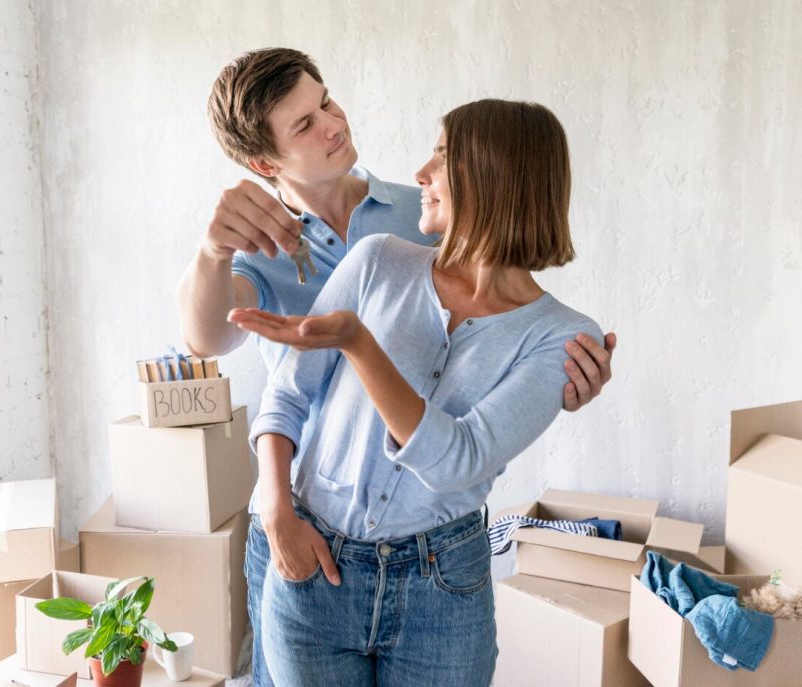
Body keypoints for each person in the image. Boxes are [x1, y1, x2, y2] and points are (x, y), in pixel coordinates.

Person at [176, 48, 616, 686]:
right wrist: (213, 250)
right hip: (303, 530)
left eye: (325, 101)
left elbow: (466, 446)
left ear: (488, 179)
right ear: (264, 162)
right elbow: (214, 340)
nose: (333, 123)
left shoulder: (428, 215)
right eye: (304, 124)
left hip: (440, 568)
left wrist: (556, 383)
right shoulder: (313, 252)